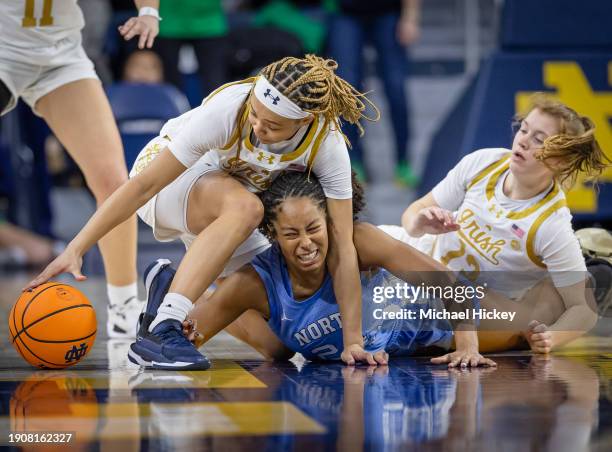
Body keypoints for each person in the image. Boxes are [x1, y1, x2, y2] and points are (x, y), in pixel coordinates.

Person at [27, 55, 381, 370]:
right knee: (247, 207)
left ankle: (164, 297)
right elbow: (142, 187)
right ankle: (165, 326)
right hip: (170, 187)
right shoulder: (228, 109)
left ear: (304, 122)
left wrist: (353, 341)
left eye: (271, 126)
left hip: (226, 210)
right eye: (255, 114)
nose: (257, 127)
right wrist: (77, 246)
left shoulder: (327, 144)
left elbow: (343, 245)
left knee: (277, 346)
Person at [169, 171, 496, 369]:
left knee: (528, 327)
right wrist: (172, 321)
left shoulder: (359, 240)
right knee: (277, 352)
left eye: (313, 228)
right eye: (291, 234)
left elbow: (457, 289)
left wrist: (467, 348)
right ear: (273, 235)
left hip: (441, 319)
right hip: (406, 346)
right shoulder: (254, 282)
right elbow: (175, 346)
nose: (306, 244)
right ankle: (186, 286)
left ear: (330, 222)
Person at [384, 94, 610, 352]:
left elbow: (583, 310)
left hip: (464, 306)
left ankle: (597, 267)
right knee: (358, 237)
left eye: (538, 139)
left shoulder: (551, 224)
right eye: (523, 129)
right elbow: (413, 212)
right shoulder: (484, 162)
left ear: (560, 160)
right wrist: (420, 221)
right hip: (415, 259)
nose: (523, 141)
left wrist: (552, 338)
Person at [1, 0, 160, 337]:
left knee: (114, 182)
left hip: (60, 56)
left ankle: (123, 306)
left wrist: (148, 11)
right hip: (4, 52)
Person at [327, 0, 421, 185]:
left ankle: (403, 161)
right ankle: (354, 161)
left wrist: (410, 18)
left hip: (388, 13)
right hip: (345, 12)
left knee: (396, 87)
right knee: (347, 87)